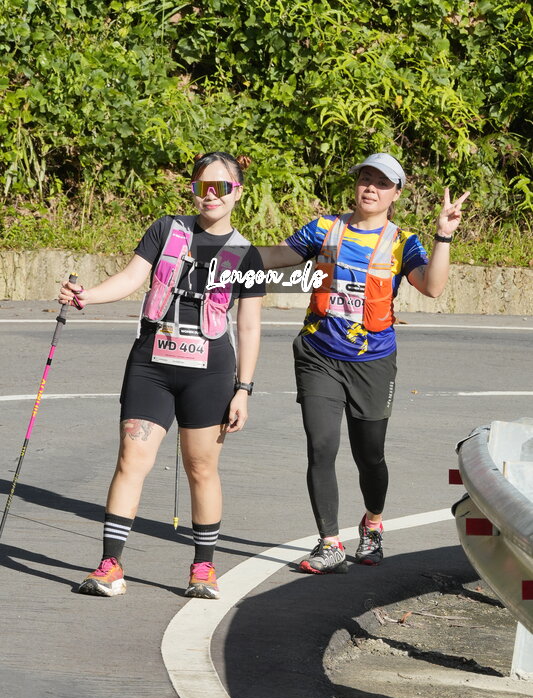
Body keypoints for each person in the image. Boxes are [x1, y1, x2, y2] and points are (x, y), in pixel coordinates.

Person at [59, 151, 265, 599]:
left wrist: (243, 389)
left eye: (221, 187)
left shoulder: (247, 254)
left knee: (201, 467)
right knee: (131, 459)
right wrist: (86, 296)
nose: (210, 195)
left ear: (237, 193)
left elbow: (249, 327)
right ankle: (111, 566)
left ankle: (203, 569)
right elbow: (131, 277)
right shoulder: (166, 229)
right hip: (151, 365)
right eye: (201, 186)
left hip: (209, 373)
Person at [258, 152, 469, 574]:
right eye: (365, 179)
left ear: (396, 194)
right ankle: (329, 543)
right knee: (321, 446)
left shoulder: (402, 241)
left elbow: (432, 287)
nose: (370, 188)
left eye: (382, 183)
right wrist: (219, 252)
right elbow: (276, 256)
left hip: (373, 362)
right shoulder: (325, 228)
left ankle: (372, 523)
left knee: (369, 456)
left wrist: (443, 236)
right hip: (319, 355)